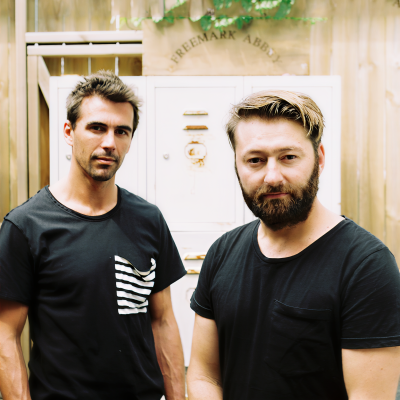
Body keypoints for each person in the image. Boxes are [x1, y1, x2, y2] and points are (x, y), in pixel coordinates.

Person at [187, 91, 400, 400]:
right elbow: (203, 375)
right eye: (255, 160)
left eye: (288, 157)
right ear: (237, 165)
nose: (272, 177)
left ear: (319, 159)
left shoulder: (366, 266)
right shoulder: (222, 253)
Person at [0, 71, 186, 400]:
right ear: (69, 132)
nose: (110, 143)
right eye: (97, 127)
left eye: (122, 131)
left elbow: (163, 321)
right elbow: (5, 334)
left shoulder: (149, 219)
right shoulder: (25, 226)